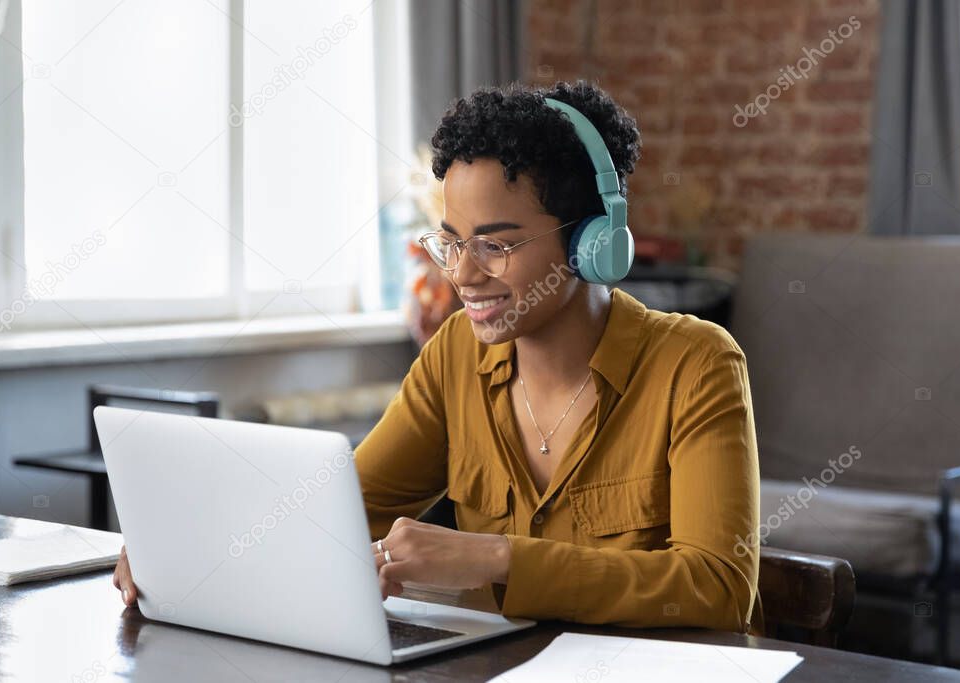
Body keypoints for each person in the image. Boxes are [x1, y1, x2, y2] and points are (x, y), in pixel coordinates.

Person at [114, 80, 763, 635]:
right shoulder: (455, 355)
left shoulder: (697, 365)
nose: (463, 274)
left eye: (495, 245)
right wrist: (187, 550)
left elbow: (719, 587)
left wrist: (497, 557)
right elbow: (338, 507)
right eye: (449, 242)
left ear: (594, 243)